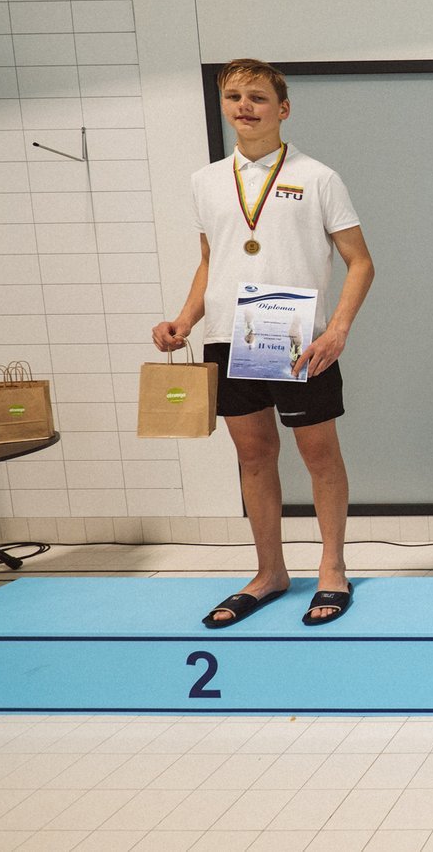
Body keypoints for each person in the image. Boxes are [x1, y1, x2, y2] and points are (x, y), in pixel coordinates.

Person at [152, 59, 374, 627]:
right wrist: (184, 319)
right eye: (234, 97)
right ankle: (270, 572)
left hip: (298, 336)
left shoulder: (318, 177)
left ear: (283, 108)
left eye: (256, 97)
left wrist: (337, 329)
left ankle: (332, 569)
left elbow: (360, 262)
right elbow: (211, 261)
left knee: (319, 456)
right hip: (229, 336)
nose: (244, 106)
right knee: (253, 457)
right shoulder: (205, 181)